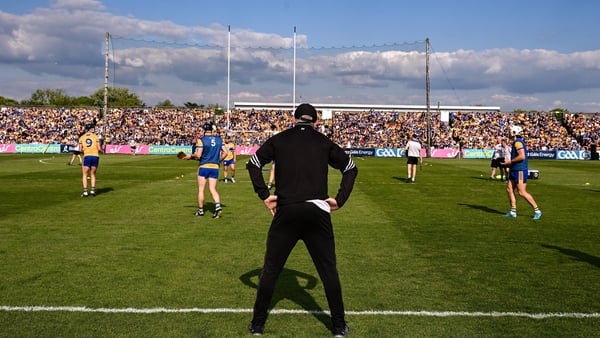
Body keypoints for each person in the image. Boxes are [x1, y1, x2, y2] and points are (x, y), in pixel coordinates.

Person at [246, 103, 358, 337]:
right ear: (315, 121)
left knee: (271, 270)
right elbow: (350, 168)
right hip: (317, 212)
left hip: (287, 211)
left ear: (294, 119)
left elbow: (253, 164)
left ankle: (257, 324)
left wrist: (265, 195)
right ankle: (338, 326)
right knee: (328, 270)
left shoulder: (280, 139)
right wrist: (340, 200)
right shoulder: (323, 141)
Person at [183, 122, 227, 218]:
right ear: (212, 130)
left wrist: (190, 156)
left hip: (204, 166)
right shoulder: (219, 139)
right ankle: (218, 206)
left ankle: (201, 211)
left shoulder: (201, 140)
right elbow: (226, 152)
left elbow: (198, 155)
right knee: (212, 189)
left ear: (204, 130)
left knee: (201, 189)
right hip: (215, 167)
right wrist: (219, 160)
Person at [502, 125, 542, 220]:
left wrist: (510, 162)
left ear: (515, 132)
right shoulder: (516, 142)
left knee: (522, 192)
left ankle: (537, 210)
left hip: (519, 170)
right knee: (509, 189)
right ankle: (513, 211)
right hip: (515, 169)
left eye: (510, 131)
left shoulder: (518, 143)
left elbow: (522, 156)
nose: (509, 133)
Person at [78, 124, 102, 197]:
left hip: (87, 156)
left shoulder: (82, 138)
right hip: (95, 156)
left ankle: (85, 192)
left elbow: (80, 149)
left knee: (85, 174)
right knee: (93, 174)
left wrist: (85, 151)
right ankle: (92, 190)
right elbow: (99, 149)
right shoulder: (95, 137)